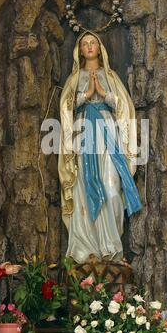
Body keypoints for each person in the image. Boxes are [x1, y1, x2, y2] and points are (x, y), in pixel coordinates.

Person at [58, 31, 142, 264]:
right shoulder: (75, 79)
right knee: (84, 187)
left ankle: (111, 248)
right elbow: (66, 107)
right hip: (84, 133)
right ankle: (87, 250)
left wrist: (104, 94)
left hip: (108, 134)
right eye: (84, 44)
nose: (89, 46)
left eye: (92, 42)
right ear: (80, 50)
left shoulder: (111, 76)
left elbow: (124, 107)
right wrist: (86, 95)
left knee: (111, 187)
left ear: (100, 47)